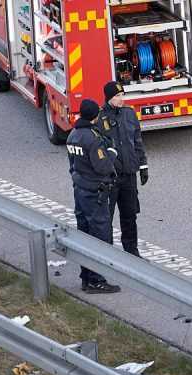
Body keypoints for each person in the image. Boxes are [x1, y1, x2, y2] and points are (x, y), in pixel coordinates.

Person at [67, 99, 120, 294]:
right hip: (95, 194)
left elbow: (72, 165)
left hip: (80, 191)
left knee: (84, 234)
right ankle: (97, 281)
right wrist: (112, 153)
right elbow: (102, 166)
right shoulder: (91, 138)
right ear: (94, 117)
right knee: (100, 236)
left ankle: (86, 278)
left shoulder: (72, 136)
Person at [97, 81, 148, 257]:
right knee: (106, 219)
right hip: (110, 178)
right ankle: (108, 255)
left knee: (130, 215)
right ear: (109, 98)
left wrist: (143, 165)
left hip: (129, 174)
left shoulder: (129, 113)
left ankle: (132, 252)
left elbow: (137, 141)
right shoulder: (100, 118)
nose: (121, 99)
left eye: (122, 95)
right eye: (117, 96)